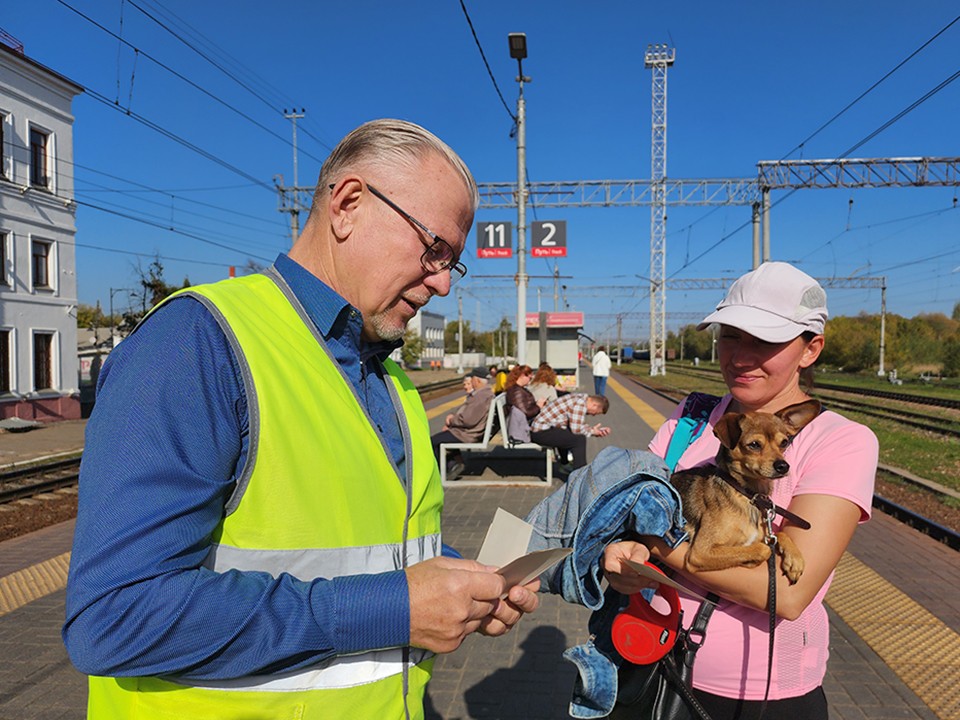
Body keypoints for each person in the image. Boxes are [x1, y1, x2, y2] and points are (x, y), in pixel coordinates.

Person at [62, 119, 539, 720]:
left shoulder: (391, 382)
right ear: (348, 205)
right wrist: (394, 608)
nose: (443, 282)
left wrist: (462, 589)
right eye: (434, 248)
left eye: (453, 263)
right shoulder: (197, 344)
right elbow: (115, 616)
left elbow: (373, 549)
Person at [602, 261, 879, 720]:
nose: (741, 356)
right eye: (731, 335)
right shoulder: (687, 422)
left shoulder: (841, 442)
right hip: (649, 659)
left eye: (765, 341)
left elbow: (787, 594)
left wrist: (652, 541)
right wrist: (617, 554)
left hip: (761, 696)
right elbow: (621, 516)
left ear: (811, 349)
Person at [430, 366, 494, 480]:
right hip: (471, 432)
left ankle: (442, 471)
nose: (471, 381)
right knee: (444, 436)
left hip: (468, 434)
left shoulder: (481, 396)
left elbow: (468, 420)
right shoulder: (485, 393)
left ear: (477, 380)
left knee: (433, 441)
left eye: (472, 378)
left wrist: (451, 421)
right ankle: (455, 464)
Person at [530, 392, 611, 470]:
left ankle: (565, 464)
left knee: (568, 434)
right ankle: (580, 475)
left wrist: (593, 430)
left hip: (542, 429)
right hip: (540, 433)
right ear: (594, 405)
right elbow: (576, 429)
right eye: (596, 413)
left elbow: (576, 424)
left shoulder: (580, 398)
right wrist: (593, 432)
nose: (593, 415)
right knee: (579, 439)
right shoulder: (580, 404)